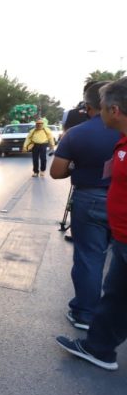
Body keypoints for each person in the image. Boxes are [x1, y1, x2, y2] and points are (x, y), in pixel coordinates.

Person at [56, 77, 127, 370]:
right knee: (116, 290)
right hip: (118, 227)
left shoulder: (76, 134)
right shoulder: (119, 139)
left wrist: (76, 165)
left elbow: (57, 172)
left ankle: (85, 314)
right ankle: (98, 346)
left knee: (89, 258)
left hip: (89, 203)